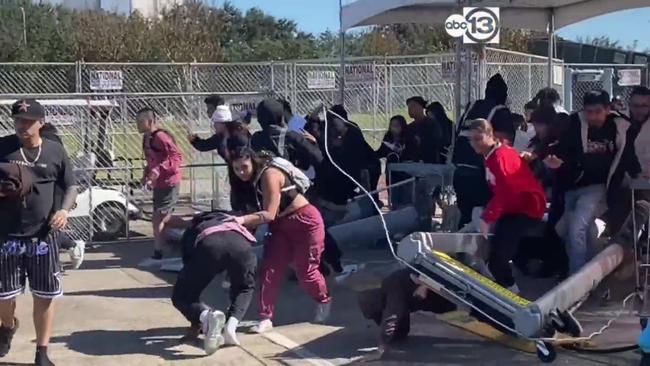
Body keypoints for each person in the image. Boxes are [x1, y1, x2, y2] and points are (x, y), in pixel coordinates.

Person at [0, 99, 78, 366]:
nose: (22, 126)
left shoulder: (54, 152)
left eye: (28, 122)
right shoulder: (3, 148)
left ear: (41, 123)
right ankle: (7, 326)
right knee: (4, 295)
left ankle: (42, 352)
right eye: (19, 121)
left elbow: (71, 187)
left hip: (42, 236)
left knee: (44, 294)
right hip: (7, 236)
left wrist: (64, 211)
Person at [229, 148, 331, 333]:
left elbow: (269, 213)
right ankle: (265, 318)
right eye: (236, 169)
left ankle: (323, 300)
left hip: (304, 222)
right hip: (280, 226)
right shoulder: (250, 181)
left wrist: (241, 220)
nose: (241, 172)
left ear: (253, 161)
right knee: (270, 270)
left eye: (244, 167)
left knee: (306, 271)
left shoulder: (269, 174)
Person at [546, 90, 637, 274]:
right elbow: (559, 148)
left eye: (597, 111)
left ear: (607, 109)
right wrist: (557, 162)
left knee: (577, 228)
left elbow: (628, 155)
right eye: (589, 112)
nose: (593, 117)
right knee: (569, 229)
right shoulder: (574, 124)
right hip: (571, 186)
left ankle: (576, 277)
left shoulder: (619, 127)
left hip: (598, 187)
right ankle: (591, 273)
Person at [468, 119, 546, 291]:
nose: (475, 143)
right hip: (515, 207)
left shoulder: (499, 156)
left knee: (498, 258)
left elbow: (507, 189)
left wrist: (488, 216)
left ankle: (514, 295)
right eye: (472, 139)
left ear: (490, 135)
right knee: (497, 251)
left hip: (525, 208)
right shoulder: (493, 155)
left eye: (479, 139)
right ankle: (509, 288)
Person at [169, 211, 257, 354]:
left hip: (210, 246)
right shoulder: (233, 221)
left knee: (182, 296)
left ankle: (207, 316)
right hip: (241, 246)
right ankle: (231, 328)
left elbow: (188, 264)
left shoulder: (195, 227)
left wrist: (195, 315)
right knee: (244, 288)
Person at [452, 74, 512, 228]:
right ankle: (479, 249)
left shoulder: (471, 108)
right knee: (484, 218)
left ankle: (461, 248)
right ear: (504, 95)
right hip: (482, 176)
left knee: (466, 216)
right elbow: (505, 145)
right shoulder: (500, 112)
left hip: (460, 171)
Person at [358, 269, 457, 358]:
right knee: (399, 330)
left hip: (445, 296)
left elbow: (391, 318)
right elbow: (395, 325)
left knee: (396, 312)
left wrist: (381, 348)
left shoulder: (393, 291)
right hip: (428, 293)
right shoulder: (390, 291)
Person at [136, 107, 184, 262]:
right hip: (159, 184)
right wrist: (146, 174)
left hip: (169, 182)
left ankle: (159, 252)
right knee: (163, 218)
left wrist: (159, 169)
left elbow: (176, 157)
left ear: (150, 121)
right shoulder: (146, 139)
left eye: (141, 121)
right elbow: (151, 161)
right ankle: (193, 227)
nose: (137, 124)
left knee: (158, 218)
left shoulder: (161, 137)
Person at [604, 86, 650, 235]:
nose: (640, 110)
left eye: (644, 106)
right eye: (636, 106)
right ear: (629, 105)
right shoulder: (617, 122)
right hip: (621, 180)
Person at [251, 99, 323, 171]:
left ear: (259, 120)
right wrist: (315, 143)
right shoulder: (292, 136)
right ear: (281, 118)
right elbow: (318, 158)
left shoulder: (255, 139)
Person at [376, 115, 409, 207]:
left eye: (397, 125)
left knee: (405, 195)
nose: (394, 128)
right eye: (392, 125)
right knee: (394, 194)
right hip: (392, 173)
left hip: (405, 173)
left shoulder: (408, 138)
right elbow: (380, 153)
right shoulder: (387, 139)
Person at [404, 96, 443, 164]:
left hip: (430, 163)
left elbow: (436, 142)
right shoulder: (409, 127)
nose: (410, 109)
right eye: (408, 107)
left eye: (413, 106)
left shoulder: (431, 124)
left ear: (421, 107)